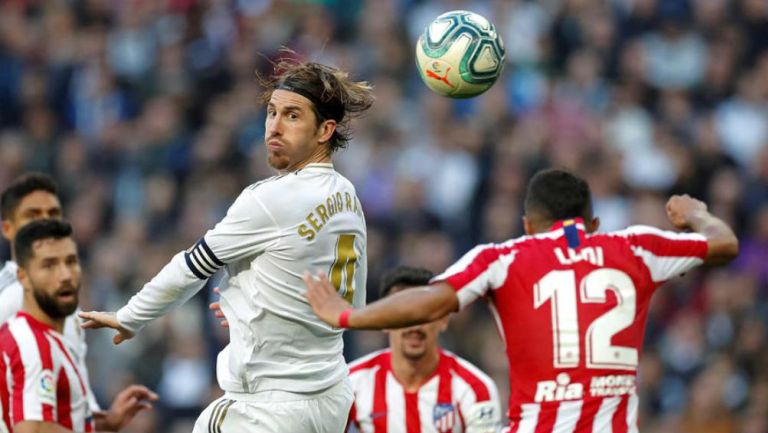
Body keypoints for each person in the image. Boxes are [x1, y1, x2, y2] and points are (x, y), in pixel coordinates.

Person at [305, 168, 739, 433]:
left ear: (528, 224)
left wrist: (345, 314)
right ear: (594, 222)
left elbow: (431, 301)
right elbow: (723, 244)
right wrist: (695, 213)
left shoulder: (505, 257)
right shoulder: (636, 246)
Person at [80, 59, 375, 433]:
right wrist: (252, 304)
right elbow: (349, 305)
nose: (274, 127)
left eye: (293, 116)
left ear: (325, 130)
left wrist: (130, 316)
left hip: (266, 408)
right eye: (271, 113)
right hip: (329, 399)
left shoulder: (271, 198)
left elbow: (193, 267)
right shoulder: (348, 196)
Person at [0, 173, 153, 430]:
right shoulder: (12, 301)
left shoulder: (62, 308)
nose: (44, 222)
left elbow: (63, 405)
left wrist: (105, 421)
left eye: (52, 213)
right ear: (9, 229)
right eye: (33, 215)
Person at [347, 266, 502, 433]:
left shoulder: (475, 389)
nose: (415, 326)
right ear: (384, 320)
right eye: (404, 314)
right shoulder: (351, 384)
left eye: (424, 313)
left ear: (443, 319)